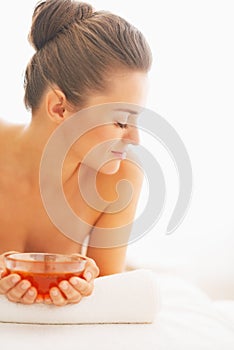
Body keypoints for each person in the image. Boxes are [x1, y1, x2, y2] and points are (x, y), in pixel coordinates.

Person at [0, 0, 152, 306]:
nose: (134, 138)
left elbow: (107, 286)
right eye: (121, 121)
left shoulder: (119, 179)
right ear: (59, 107)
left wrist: (86, 289)